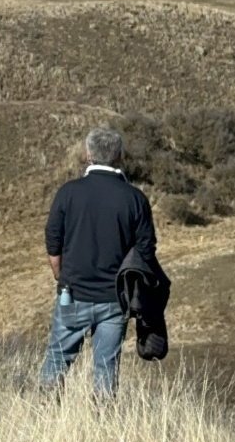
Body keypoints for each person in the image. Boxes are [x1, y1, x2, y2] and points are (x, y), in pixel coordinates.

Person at [40, 127, 158, 397]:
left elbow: (53, 243)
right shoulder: (135, 198)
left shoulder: (68, 193)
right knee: (106, 368)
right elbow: (146, 252)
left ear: (87, 154)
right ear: (120, 156)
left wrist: (62, 278)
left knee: (57, 359)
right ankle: (103, 425)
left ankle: (42, 416)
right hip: (115, 301)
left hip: (73, 294)